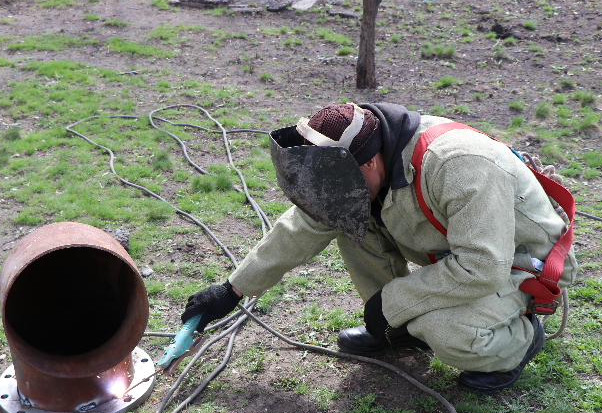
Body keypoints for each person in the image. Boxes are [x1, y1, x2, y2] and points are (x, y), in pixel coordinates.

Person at [181, 102, 577, 394]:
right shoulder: (368, 162)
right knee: (350, 220)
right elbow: (304, 225)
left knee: (443, 329)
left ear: (369, 163)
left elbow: (482, 267)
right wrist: (232, 289)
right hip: (460, 251)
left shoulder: (458, 163)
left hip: (520, 265)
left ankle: (520, 340)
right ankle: (399, 332)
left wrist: (391, 302)